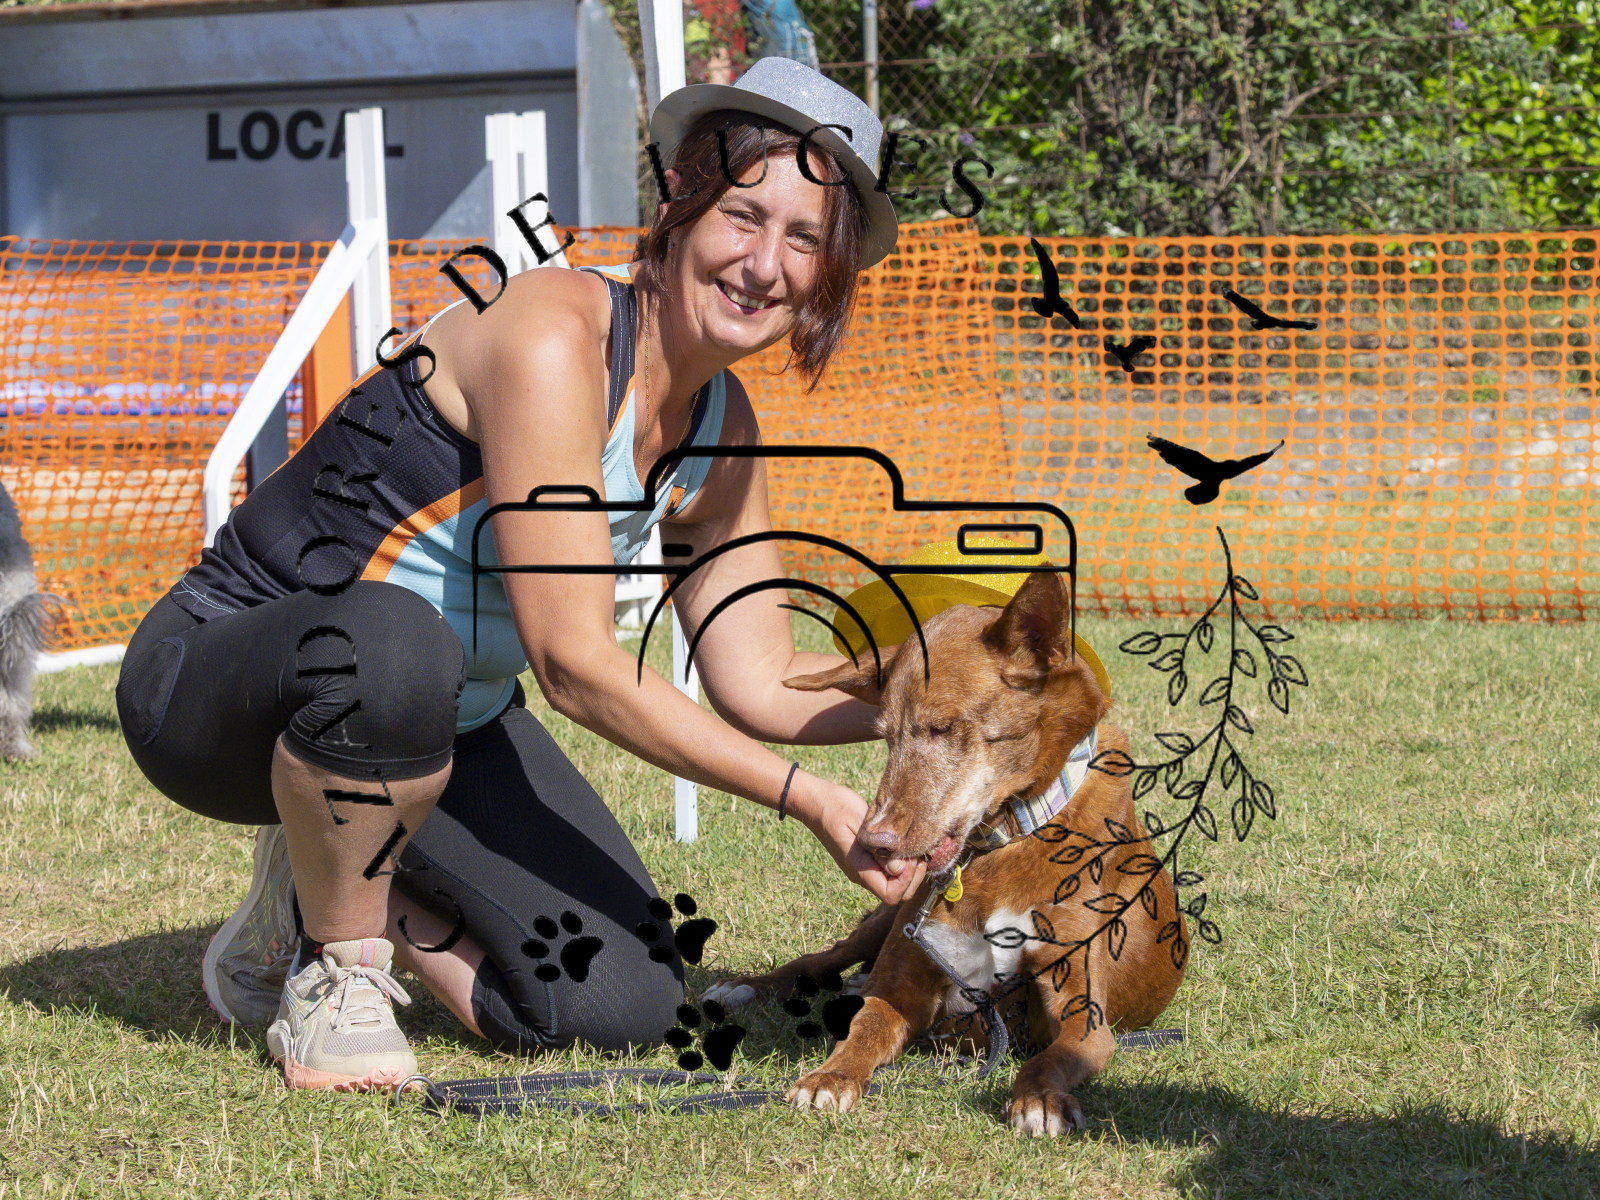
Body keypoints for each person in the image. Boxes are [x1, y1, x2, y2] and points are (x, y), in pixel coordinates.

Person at [115, 57, 929, 1092]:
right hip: (214, 685)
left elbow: (762, 677)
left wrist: (943, 706)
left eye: (805, 239)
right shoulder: (555, 333)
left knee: (619, 1004)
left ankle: (313, 885)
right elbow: (573, 663)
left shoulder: (723, 433)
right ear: (678, 202)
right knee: (399, 644)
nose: (765, 264)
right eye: (743, 214)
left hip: (435, 721)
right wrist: (810, 800)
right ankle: (335, 971)